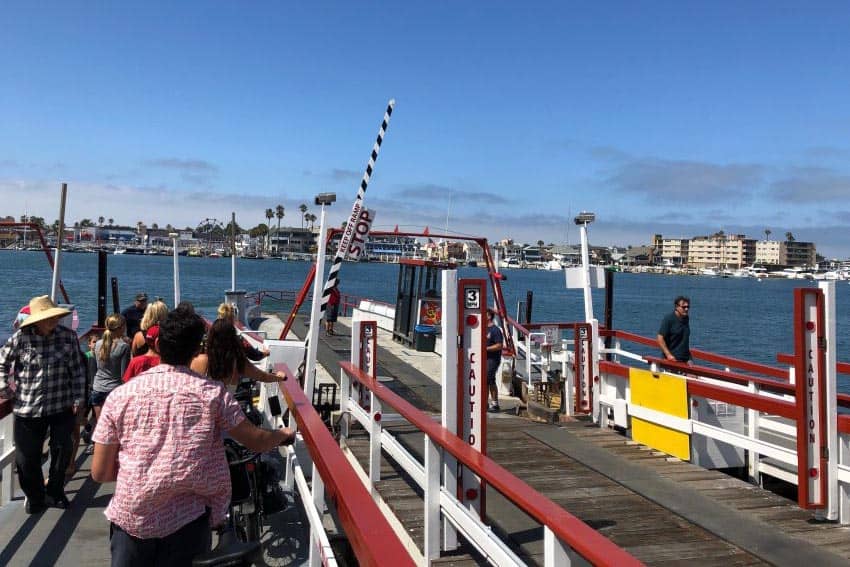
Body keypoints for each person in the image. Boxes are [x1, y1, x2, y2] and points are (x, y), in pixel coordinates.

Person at [91, 307, 295, 566]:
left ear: (159, 344)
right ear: (196, 347)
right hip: (186, 523)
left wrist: (144, 472)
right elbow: (255, 439)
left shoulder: (120, 396)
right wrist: (281, 434)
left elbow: (100, 473)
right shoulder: (212, 394)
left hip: (132, 520)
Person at [0, 295, 86, 513]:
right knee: (26, 459)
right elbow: (2, 364)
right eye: (48, 318)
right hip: (28, 408)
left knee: (62, 452)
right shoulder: (20, 339)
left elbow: (77, 370)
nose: (53, 321)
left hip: (61, 405)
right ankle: (35, 496)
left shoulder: (68, 337)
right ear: (36, 320)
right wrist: (7, 391)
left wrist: (78, 398)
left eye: (55, 317)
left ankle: (55, 492)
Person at [191, 318, 284, 385]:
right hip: (225, 410)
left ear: (211, 337)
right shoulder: (237, 362)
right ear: (233, 338)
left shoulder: (200, 360)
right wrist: (279, 377)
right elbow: (262, 376)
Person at [90, 314, 131, 432]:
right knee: (114, 425)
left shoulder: (98, 344)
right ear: (120, 328)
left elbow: (98, 366)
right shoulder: (124, 347)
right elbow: (124, 375)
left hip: (98, 388)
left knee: (101, 423)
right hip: (114, 389)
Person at [657, 296, 691, 363]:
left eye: (688, 307)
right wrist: (668, 355)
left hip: (686, 358)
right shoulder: (669, 319)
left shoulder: (686, 318)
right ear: (676, 307)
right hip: (672, 359)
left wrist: (689, 358)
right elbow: (660, 338)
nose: (686, 309)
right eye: (684, 307)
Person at [486, 308, 504, 413]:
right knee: (487, 380)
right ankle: (487, 403)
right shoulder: (482, 329)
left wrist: (485, 349)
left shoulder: (495, 330)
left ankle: (495, 403)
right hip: (484, 358)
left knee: (489, 379)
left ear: (489, 316)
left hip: (493, 359)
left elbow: (499, 345)